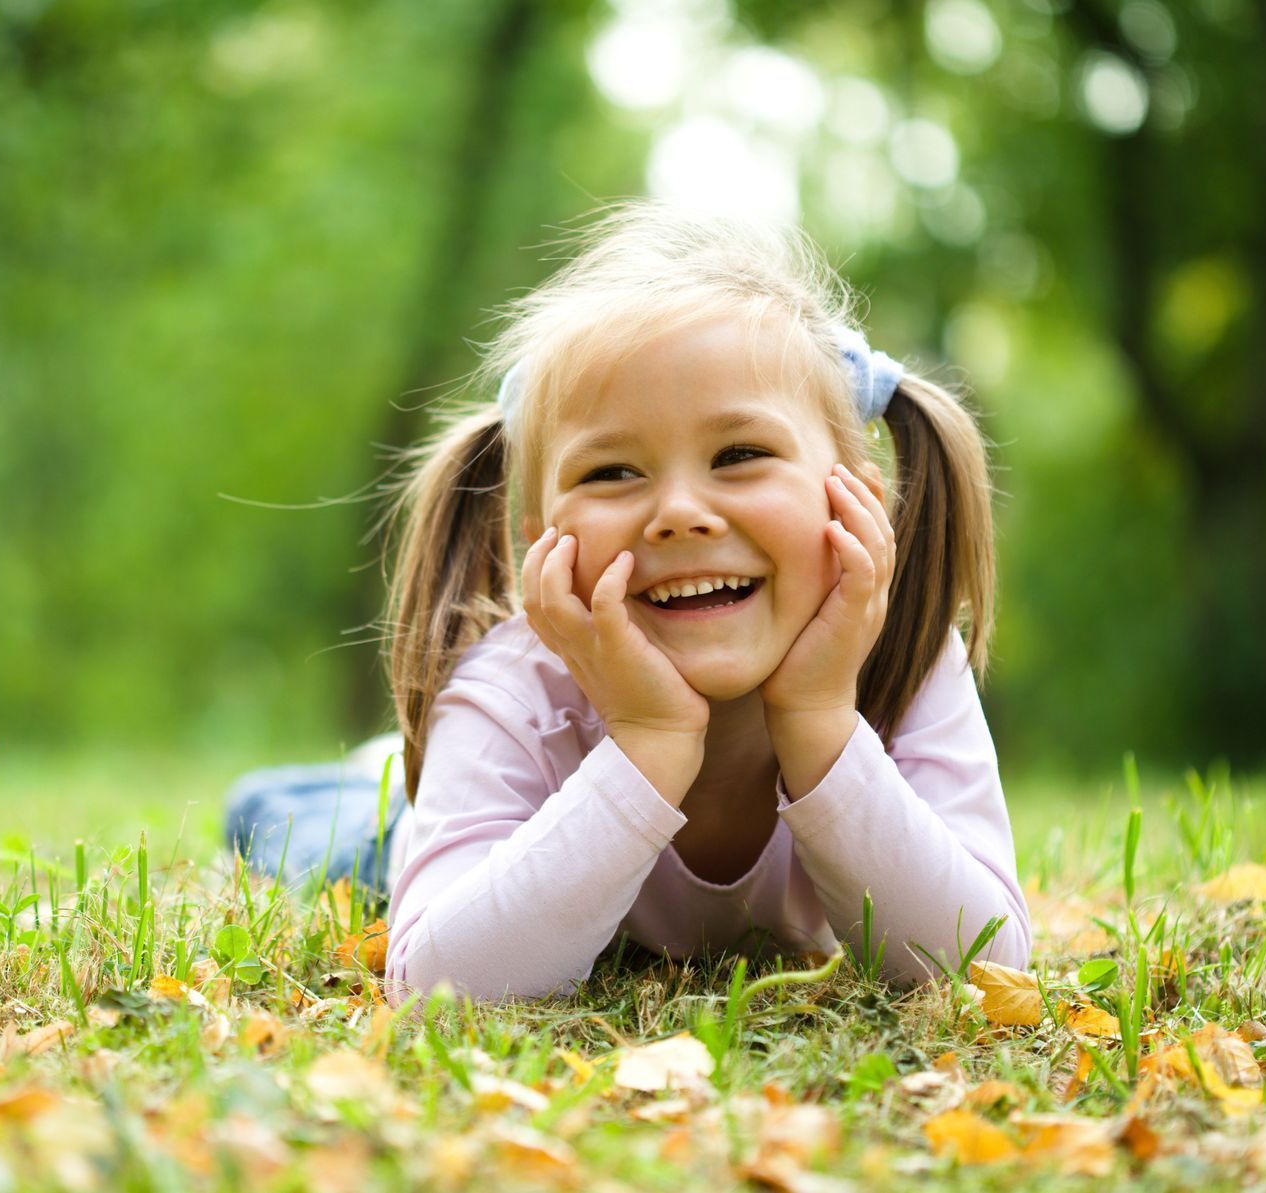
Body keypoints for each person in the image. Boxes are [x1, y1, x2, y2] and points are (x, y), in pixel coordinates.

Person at [224, 199, 1030, 1005]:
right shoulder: (512, 691)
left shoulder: (903, 656)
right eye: (611, 472)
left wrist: (819, 717)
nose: (680, 511)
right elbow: (440, 985)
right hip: (441, 838)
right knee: (314, 836)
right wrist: (648, 742)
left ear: (853, 496)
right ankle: (365, 784)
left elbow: (979, 962)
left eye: (740, 454)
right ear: (543, 535)